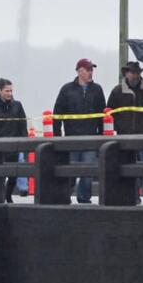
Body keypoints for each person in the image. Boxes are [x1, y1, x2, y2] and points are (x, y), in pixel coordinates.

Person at [53, 58, 106, 203]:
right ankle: (65, 196)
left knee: (87, 171)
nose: (91, 73)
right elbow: (57, 113)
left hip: (91, 138)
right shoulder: (67, 89)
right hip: (71, 138)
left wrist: (101, 137)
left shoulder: (97, 89)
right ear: (79, 71)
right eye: (88, 70)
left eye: (91, 70)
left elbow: (102, 115)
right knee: (70, 170)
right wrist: (57, 137)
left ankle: (84, 199)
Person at [106, 61, 143, 201]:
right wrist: (118, 126)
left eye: (137, 73)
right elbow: (110, 111)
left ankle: (137, 189)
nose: (135, 75)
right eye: (132, 72)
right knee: (127, 168)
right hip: (124, 136)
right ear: (126, 74)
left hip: (142, 135)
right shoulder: (117, 91)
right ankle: (133, 194)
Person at [0, 78, 29, 201]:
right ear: (0, 91)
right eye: (6, 91)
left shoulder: (17, 105)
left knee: (13, 175)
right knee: (0, 175)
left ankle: (8, 195)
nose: (9, 93)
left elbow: (22, 125)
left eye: (11, 91)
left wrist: (25, 143)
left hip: (14, 146)